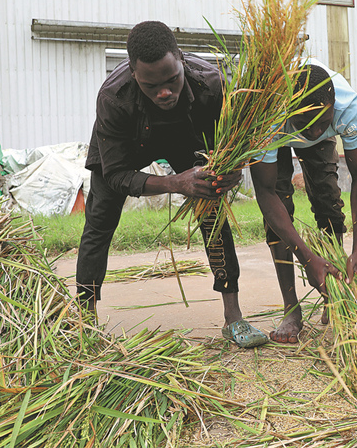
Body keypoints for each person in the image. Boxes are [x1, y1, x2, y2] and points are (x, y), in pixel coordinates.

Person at [76, 20, 268, 348]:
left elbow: (240, 141)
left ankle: (233, 317)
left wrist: (232, 169)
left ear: (180, 59)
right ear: (135, 75)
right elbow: (116, 175)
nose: (164, 92)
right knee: (99, 221)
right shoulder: (113, 98)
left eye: (172, 80)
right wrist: (175, 183)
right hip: (128, 144)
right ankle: (84, 320)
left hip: (187, 140)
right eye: (152, 86)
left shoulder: (213, 85)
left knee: (213, 214)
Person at [250, 60, 357, 343]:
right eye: (308, 125)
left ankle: (336, 288)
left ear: (333, 108)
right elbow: (266, 193)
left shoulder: (348, 108)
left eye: (324, 122)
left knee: (328, 201)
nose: (316, 131)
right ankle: (291, 309)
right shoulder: (268, 116)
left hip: (305, 121)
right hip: (278, 136)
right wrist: (307, 259)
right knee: (280, 213)